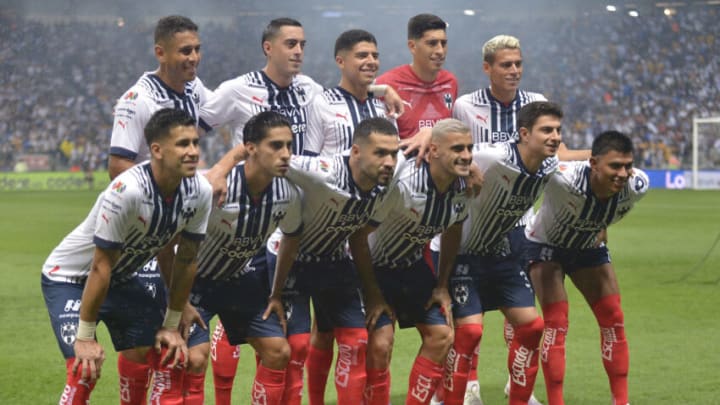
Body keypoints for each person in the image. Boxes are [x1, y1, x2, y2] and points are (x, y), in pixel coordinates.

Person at [200, 19, 403, 403]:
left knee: (305, 338)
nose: (298, 51)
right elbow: (200, 121)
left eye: (302, 45)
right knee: (253, 325)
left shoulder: (311, 90)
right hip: (260, 214)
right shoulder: (236, 89)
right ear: (268, 47)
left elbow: (347, 93)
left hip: (314, 212)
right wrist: (220, 169)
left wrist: (383, 88)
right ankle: (225, 394)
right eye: (290, 44)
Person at [41, 108, 212, 405]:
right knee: (85, 369)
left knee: (163, 351)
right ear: (156, 150)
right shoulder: (127, 191)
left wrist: (173, 320)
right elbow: (100, 266)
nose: (193, 152)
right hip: (70, 277)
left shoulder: (199, 191)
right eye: (183, 144)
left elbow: (184, 259)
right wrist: (85, 337)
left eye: (195, 143)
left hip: (118, 277)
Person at [105, 16, 212, 403]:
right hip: (144, 234)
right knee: (144, 349)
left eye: (197, 49)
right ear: (160, 52)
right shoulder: (138, 99)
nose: (194, 58)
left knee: (191, 350)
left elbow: (230, 111)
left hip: (179, 227)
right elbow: (117, 167)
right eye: (185, 51)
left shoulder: (194, 90)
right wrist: (175, 186)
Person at [437, 101, 563, 405]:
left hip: (500, 252)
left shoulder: (549, 165)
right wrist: (469, 167)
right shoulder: (494, 156)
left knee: (533, 327)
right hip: (462, 253)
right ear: (523, 133)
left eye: (558, 130)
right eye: (546, 130)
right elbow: (455, 150)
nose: (555, 137)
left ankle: (518, 399)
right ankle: (448, 397)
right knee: (469, 334)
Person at [174, 111, 302, 405]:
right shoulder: (218, 189)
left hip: (237, 279)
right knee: (194, 358)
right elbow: (172, 243)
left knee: (278, 351)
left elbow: (291, 238)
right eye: (276, 146)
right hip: (193, 282)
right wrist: (177, 301)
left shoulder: (288, 193)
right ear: (251, 148)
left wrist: (276, 293)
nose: (285, 154)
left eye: (289, 146)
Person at [270, 117, 399, 404]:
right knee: (296, 347)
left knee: (357, 342)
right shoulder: (322, 172)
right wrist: (221, 169)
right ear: (355, 152)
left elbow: (359, 238)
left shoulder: (388, 181)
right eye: (380, 153)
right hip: (290, 258)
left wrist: (374, 295)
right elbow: (267, 154)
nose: (389, 161)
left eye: (394, 153)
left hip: (334, 260)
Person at [302, 28, 394, 405]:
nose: (371, 61)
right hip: (324, 234)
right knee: (327, 332)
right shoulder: (320, 103)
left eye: (374, 55)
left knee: (354, 333)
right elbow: (307, 164)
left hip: (364, 235)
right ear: (341, 61)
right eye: (361, 55)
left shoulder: (381, 107)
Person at [526, 131, 649, 405]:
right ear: (593, 164)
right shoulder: (563, 177)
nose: (622, 173)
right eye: (614, 166)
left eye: (627, 166)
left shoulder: (638, 185)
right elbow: (531, 164)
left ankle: (621, 401)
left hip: (587, 247)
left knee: (614, 318)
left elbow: (602, 205)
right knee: (557, 323)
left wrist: (600, 223)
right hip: (546, 246)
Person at [362, 118, 472, 405]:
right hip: (372, 268)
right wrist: (373, 294)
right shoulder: (403, 182)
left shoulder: (463, 187)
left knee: (442, 336)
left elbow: (454, 230)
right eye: (458, 149)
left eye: (469, 148)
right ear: (433, 151)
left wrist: (442, 285)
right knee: (381, 344)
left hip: (411, 266)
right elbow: (359, 237)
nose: (467, 156)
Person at [376, 13, 457, 140]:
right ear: (412, 46)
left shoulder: (450, 82)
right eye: (432, 43)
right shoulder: (387, 83)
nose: (440, 51)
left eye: (443, 43)